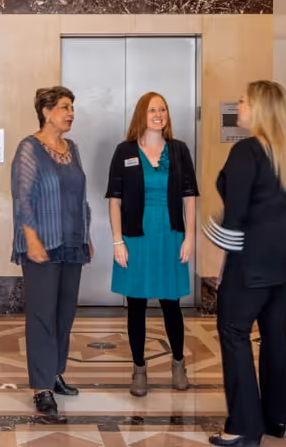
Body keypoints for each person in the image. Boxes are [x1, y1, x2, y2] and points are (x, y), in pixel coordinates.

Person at [204, 81, 286, 447]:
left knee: (233, 332)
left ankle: (244, 427)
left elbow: (235, 216)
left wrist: (217, 248)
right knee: (275, 330)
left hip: (256, 253)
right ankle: (277, 417)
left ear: (260, 109)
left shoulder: (246, 150)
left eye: (244, 101)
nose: (238, 105)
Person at [106, 92, 198, 396]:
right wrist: (117, 241)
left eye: (163, 109)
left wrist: (190, 237)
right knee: (137, 305)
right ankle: (139, 369)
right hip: (136, 237)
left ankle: (178, 363)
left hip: (170, 236)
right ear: (140, 115)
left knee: (171, 304)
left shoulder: (180, 150)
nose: (159, 114)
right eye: (152, 109)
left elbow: (190, 197)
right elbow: (115, 201)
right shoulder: (125, 151)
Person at [10, 86, 94, 416]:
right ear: (45, 111)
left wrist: (86, 233)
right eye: (64, 107)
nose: (70, 113)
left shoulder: (71, 147)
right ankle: (42, 387)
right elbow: (22, 198)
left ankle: (55, 372)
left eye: (72, 107)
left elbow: (80, 195)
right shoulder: (29, 148)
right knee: (42, 315)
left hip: (73, 242)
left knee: (64, 313)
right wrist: (31, 238)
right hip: (42, 242)